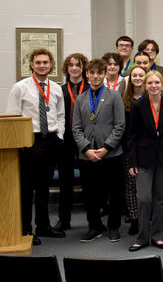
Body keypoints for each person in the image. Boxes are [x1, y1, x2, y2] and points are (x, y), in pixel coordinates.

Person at [6, 48, 67, 244]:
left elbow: (60, 115)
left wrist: (59, 136)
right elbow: (13, 117)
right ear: (31, 64)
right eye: (38, 62)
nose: (42, 65)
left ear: (51, 65)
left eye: (46, 62)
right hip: (28, 141)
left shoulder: (57, 88)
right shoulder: (20, 87)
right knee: (26, 189)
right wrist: (18, 144)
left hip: (50, 140)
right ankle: (25, 230)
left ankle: (44, 226)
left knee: (44, 187)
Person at [72, 58, 126, 243]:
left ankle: (113, 226)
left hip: (110, 153)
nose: (95, 76)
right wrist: (87, 149)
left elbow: (120, 126)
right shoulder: (81, 98)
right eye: (92, 73)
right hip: (87, 155)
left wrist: (106, 148)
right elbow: (76, 128)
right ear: (86, 74)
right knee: (90, 194)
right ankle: (94, 226)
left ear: (104, 75)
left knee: (115, 192)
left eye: (99, 73)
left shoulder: (114, 95)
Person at [126, 70, 163, 251]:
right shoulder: (138, 105)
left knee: (160, 199)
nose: (154, 86)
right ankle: (142, 237)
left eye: (157, 83)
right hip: (143, 158)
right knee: (143, 198)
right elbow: (131, 136)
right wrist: (132, 162)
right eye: (150, 83)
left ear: (162, 85)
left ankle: (157, 236)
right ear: (145, 85)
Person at [54, 52, 88, 232]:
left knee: (89, 181)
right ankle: (64, 219)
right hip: (66, 140)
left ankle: (94, 220)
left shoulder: (91, 88)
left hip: (86, 140)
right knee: (65, 182)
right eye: (71, 65)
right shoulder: (58, 90)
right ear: (67, 68)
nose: (75, 68)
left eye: (78, 65)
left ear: (84, 68)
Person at [122, 65, 147, 234]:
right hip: (129, 148)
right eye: (134, 75)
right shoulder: (123, 99)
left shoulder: (152, 97)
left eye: (141, 75)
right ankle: (134, 218)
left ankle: (147, 217)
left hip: (148, 149)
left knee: (147, 186)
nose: (137, 78)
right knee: (131, 185)